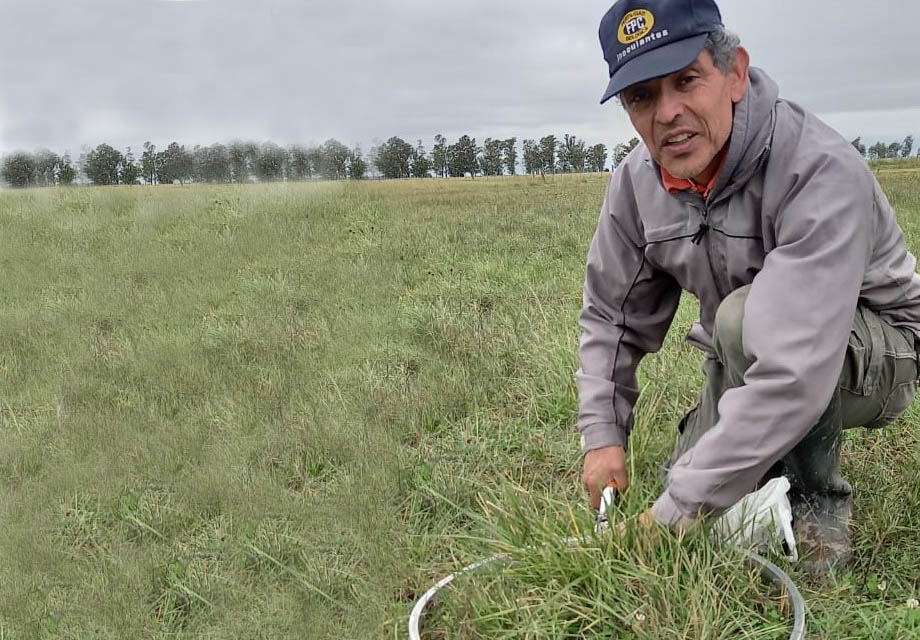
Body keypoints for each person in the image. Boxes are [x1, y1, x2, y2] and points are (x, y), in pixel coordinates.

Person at [578, 0, 920, 570]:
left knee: (687, 502)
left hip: (876, 350)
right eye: (642, 97)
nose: (667, 113)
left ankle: (818, 504)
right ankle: (761, 473)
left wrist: (676, 512)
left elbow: (793, 368)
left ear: (734, 72)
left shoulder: (818, 168)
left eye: (686, 80)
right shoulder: (636, 185)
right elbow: (611, 317)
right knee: (683, 487)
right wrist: (603, 434)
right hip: (746, 346)